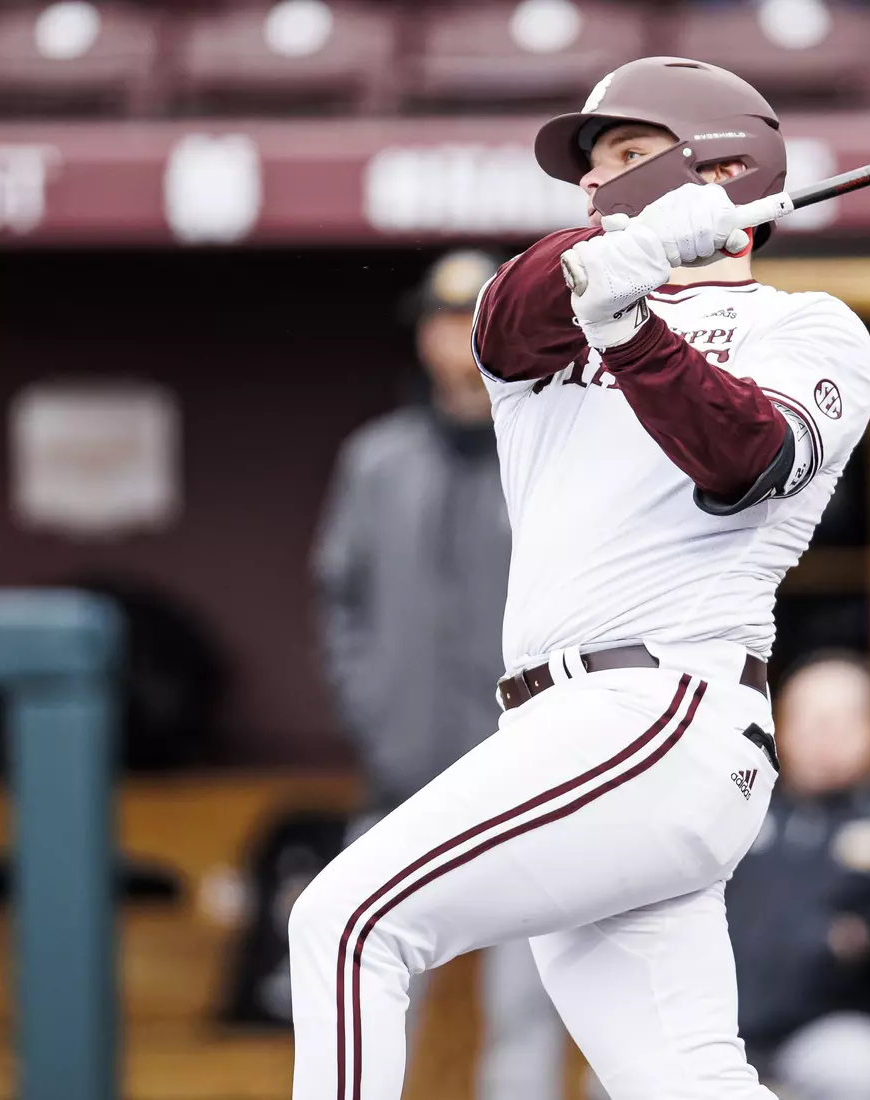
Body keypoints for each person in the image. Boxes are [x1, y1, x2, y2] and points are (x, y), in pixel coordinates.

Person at [289, 56, 870, 1100]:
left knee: (345, 921)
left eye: (630, 159)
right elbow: (503, 315)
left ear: (724, 172)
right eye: (591, 172)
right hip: (562, 731)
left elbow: (744, 459)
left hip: (658, 709)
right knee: (689, 1082)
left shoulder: (811, 327)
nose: (598, 188)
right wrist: (623, 260)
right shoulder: (549, 324)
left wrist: (634, 326)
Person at [312, 249, 566, 1100]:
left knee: (526, 1018)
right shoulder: (374, 460)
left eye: (470, 319)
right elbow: (338, 601)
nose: (454, 340)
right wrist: (375, 713)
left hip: (527, 786)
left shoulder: (550, 446)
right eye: (440, 321)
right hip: (399, 786)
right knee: (366, 1005)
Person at [727, 653, 870, 1100]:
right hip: (720, 1027)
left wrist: (863, 939)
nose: (819, 737)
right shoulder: (741, 814)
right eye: (806, 720)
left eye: (836, 722)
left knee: (866, 1070)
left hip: (825, 1030)